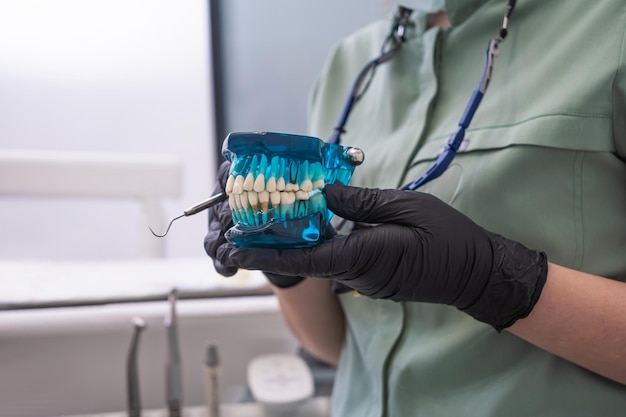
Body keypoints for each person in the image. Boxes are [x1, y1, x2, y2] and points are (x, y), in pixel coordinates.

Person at [206, 0, 626, 415]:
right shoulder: (351, 61)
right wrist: (288, 270)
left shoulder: (612, 30)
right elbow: (339, 348)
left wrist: (492, 279)